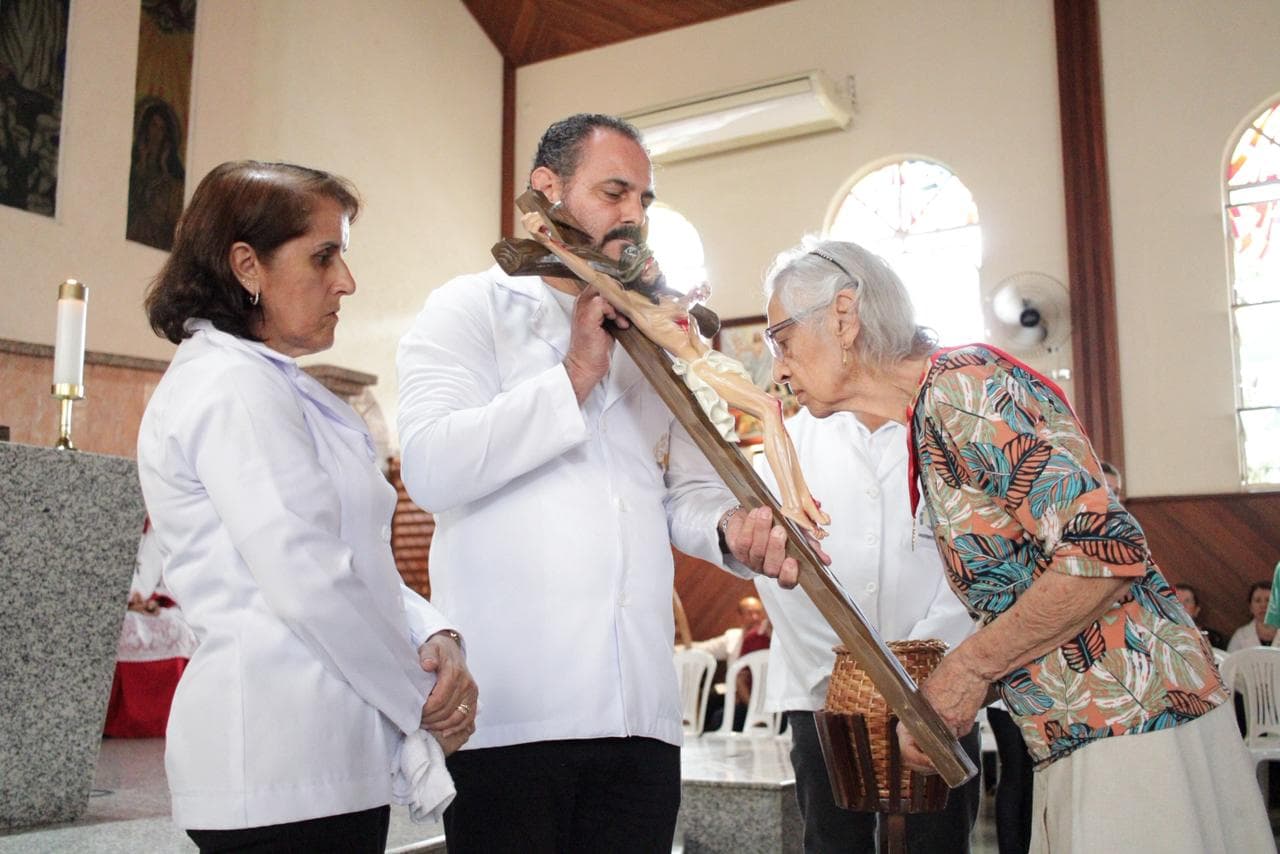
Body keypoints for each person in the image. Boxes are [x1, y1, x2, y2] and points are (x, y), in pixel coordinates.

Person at [761, 237, 1272, 852]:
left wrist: (969, 669)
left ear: (844, 316)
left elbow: (1104, 555)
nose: (779, 368)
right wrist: (957, 689)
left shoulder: (964, 390)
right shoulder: (931, 414)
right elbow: (1030, 587)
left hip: (1132, 714)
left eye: (782, 340)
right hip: (1078, 720)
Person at [396, 113, 799, 853]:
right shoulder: (468, 308)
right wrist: (576, 373)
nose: (634, 217)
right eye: (614, 192)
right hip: (514, 717)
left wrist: (726, 528)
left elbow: (683, 492)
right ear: (545, 189)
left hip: (640, 718)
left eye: (644, 200)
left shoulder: (652, 332)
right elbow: (429, 468)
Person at [136, 161, 478, 852]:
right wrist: (421, 704)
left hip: (322, 759)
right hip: (272, 762)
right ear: (247, 265)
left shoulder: (276, 385)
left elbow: (354, 556)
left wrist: (429, 633)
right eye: (324, 256)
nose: (346, 281)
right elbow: (309, 579)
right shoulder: (231, 386)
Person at [749, 406, 982, 852]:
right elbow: (774, 568)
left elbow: (975, 555)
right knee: (834, 838)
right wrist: (846, 670)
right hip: (823, 688)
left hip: (945, 687)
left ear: (844, 330)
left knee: (940, 840)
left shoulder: (947, 427)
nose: (780, 367)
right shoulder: (787, 440)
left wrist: (928, 667)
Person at [104, 517, 198, 738]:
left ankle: (174, 718)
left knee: (178, 629)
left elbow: (164, 577)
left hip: (149, 602)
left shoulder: (157, 530)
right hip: (129, 606)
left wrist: (148, 601)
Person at [687, 595, 773, 731]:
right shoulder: (734, 637)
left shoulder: (769, 638)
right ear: (740, 616)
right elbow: (705, 648)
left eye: (758, 612)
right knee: (712, 702)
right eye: (750, 613)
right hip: (739, 696)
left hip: (764, 699)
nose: (755, 617)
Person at [1172, 584, 1227, 649]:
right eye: (1176, 600)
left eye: (1187, 601)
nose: (1181, 606)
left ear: (1196, 610)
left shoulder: (1213, 639)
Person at [1226, 580, 1275, 651]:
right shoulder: (1240, 636)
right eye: (1258, 600)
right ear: (1251, 607)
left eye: (1268, 600)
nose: (1263, 605)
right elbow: (1230, 661)